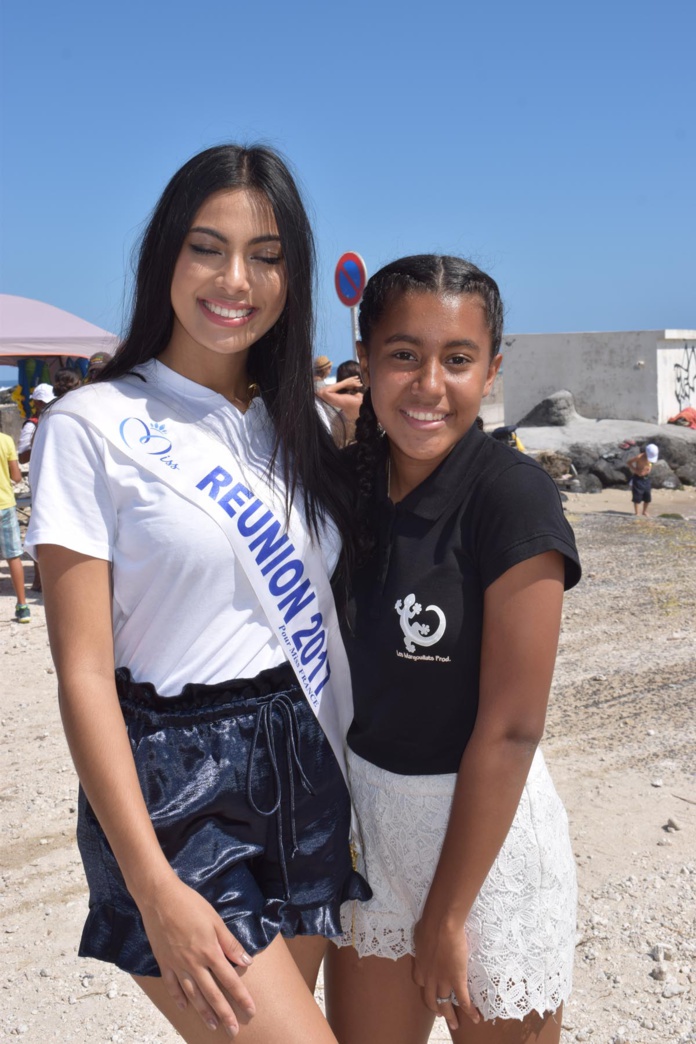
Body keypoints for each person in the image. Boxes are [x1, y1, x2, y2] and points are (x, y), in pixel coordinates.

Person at [25, 144, 369, 1044]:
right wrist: (151, 884)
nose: (235, 279)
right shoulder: (90, 427)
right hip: (178, 788)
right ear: (165, 257)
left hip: (303, 757)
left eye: (265, 256)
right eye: (206, 248)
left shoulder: (295, 428)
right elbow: (84, 675)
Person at [325, 255, 582, 1044]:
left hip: (488, 852)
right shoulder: (345, 486)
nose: (429, 383)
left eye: (457, 359)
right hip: (373, 834)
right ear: (366, 361)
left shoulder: (510, 496)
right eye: (403, 355)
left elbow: (512, 728)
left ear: (492, 370)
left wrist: (448, 913)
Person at [0, 430, 30, 622]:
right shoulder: (6, 440)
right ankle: (22, 605)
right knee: (13, 556)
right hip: (5, 504)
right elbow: (17, 476)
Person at [17, 383, 55, 464]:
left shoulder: (56, 420)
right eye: (43, 402)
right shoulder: (31, 425)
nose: (50, 405)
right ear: (36, 403)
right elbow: (22, 458)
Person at [626, 443, 659, 516]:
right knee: (637, 497)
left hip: (646, 479)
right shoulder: (639, 457)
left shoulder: (651, 458)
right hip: (638, 479)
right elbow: (629, 463)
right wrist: (635, 470)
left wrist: (649, 468)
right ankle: (637, 512)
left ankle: (644, 511)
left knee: (647, 497)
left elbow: (651, 463)